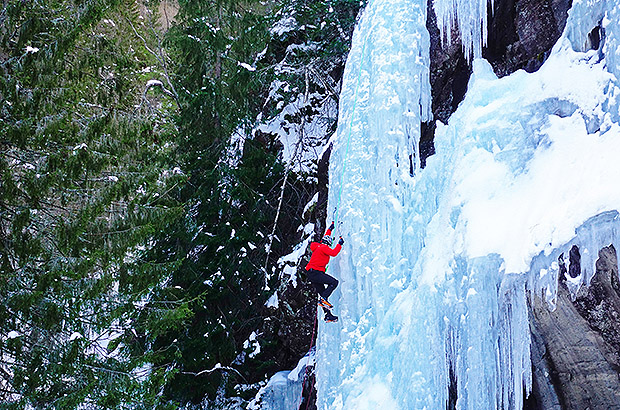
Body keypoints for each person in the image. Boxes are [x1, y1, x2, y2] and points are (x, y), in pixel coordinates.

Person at [306, 221, 344, 322]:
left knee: (323, 294)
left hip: (312, 273)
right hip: (316, 273)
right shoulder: (324, 247)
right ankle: (323, 299)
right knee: (334, 282)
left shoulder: (318, 246)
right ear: (328, 244)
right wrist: (340, 244)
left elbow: (325, 236)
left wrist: (330, 229)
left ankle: (328, 315)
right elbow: (334, 253)